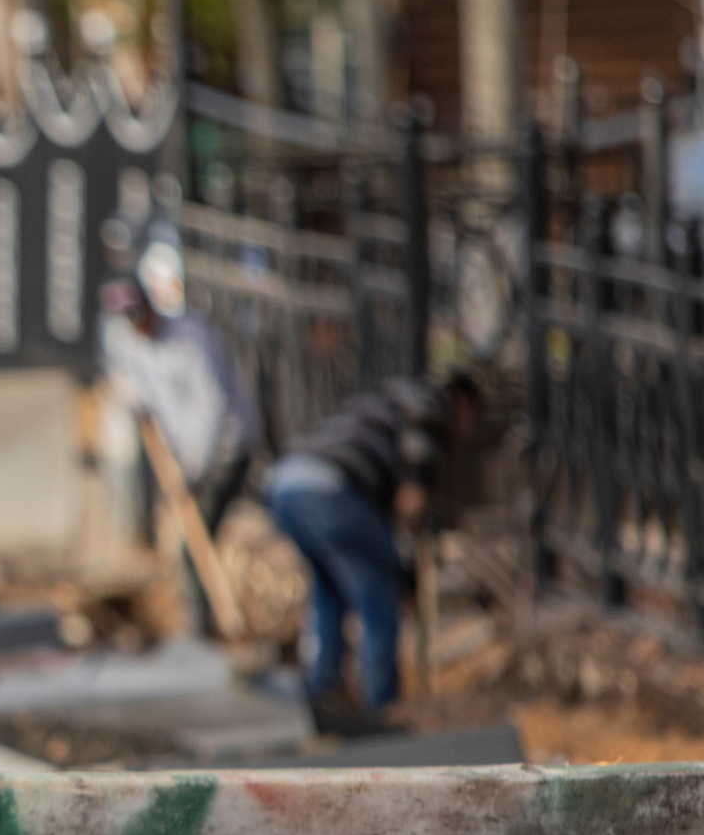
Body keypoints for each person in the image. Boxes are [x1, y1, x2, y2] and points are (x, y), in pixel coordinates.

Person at [264, 372, 480, 730]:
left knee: (329, 588)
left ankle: (323, 690)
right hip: (329, 490)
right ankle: (382, 707)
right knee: (378, 592)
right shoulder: (432, 405)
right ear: (465, 405)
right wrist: (408, 558)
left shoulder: (385, 400)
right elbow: (411, 497)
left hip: (285, 484)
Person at [99, 254, 257, 630]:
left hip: (226, 448)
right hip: (188, 451)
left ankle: (203, 631)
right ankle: (202, 626)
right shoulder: (124, 339)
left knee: (193, 545)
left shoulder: (191, 340)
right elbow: (126, 376)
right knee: (189, 541)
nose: (139, 326)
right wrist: (131, 396)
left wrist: (192, 471)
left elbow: (212, 412)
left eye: (142, 316)